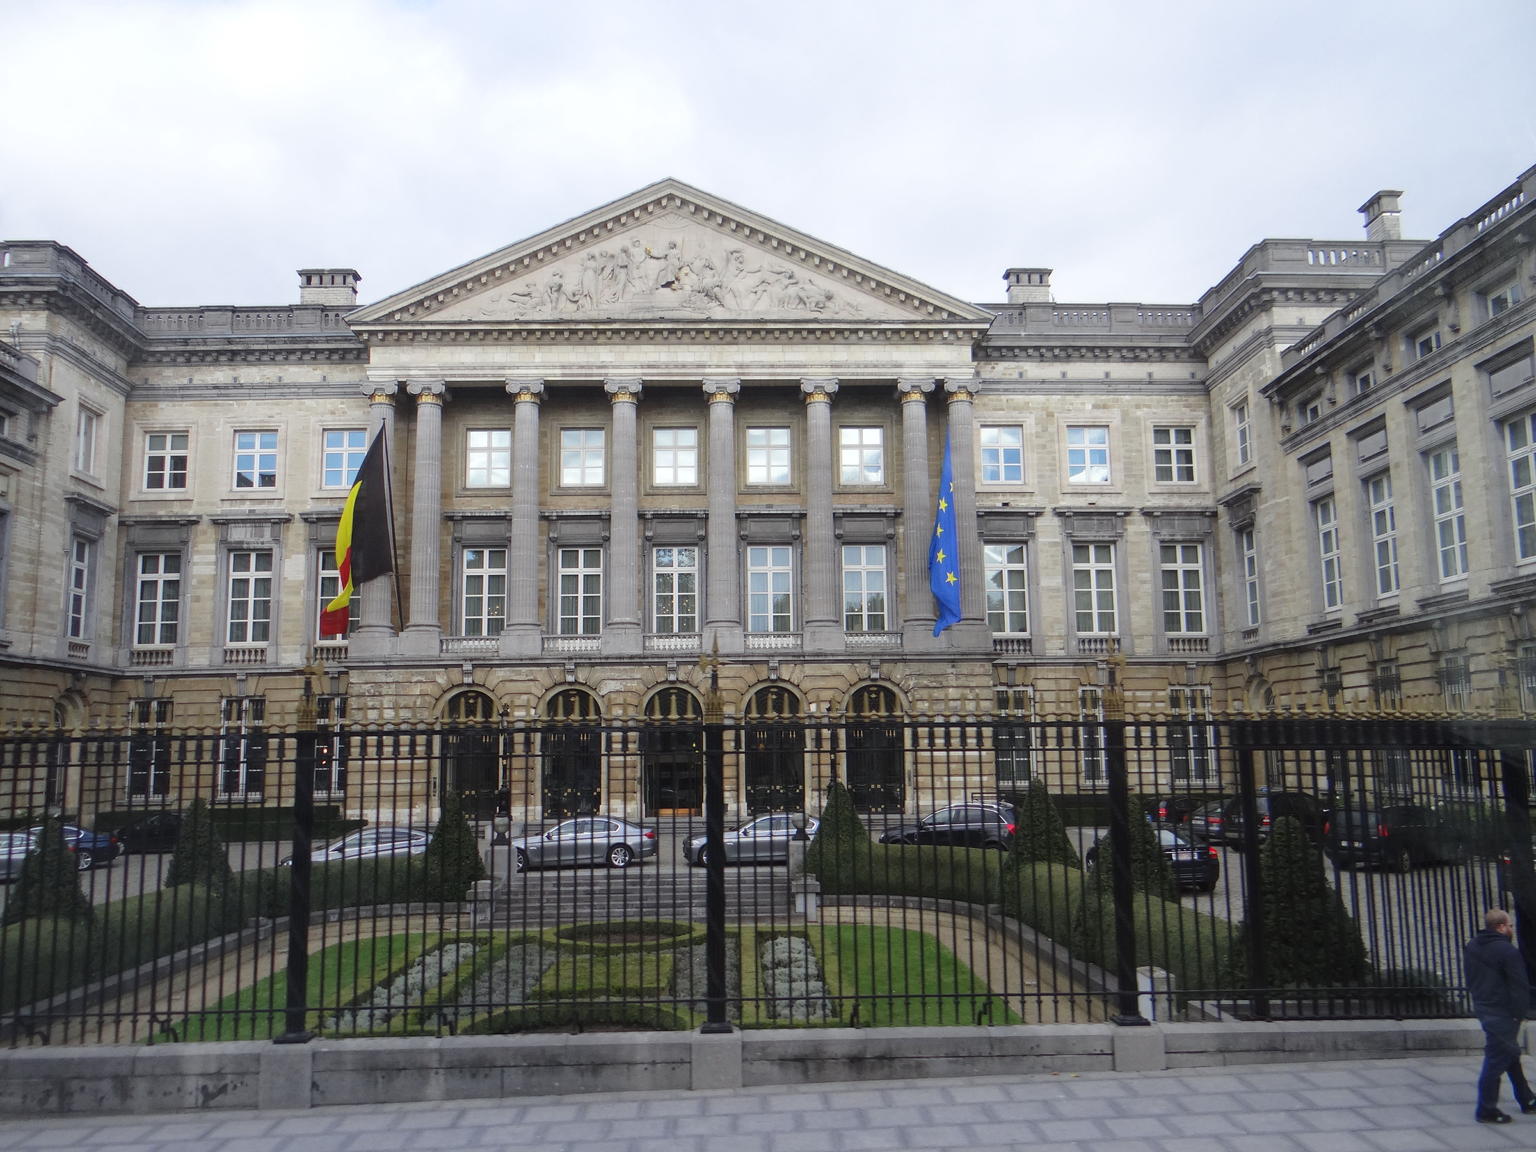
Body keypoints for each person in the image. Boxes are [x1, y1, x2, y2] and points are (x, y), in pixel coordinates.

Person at [1465, 907, 1536, 1123]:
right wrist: (1519, 1013)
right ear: (1501, 927)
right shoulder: (1508, 952)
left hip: (1484, 1007)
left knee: (1509, 1053)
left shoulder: (1473, 946)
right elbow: (1519, 986)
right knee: (1496, 1060)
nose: (1512, 929)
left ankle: (1527, 1099)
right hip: (1504, 1013)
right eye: (1510, 925)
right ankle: (1486, 1109)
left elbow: (1470, 978)